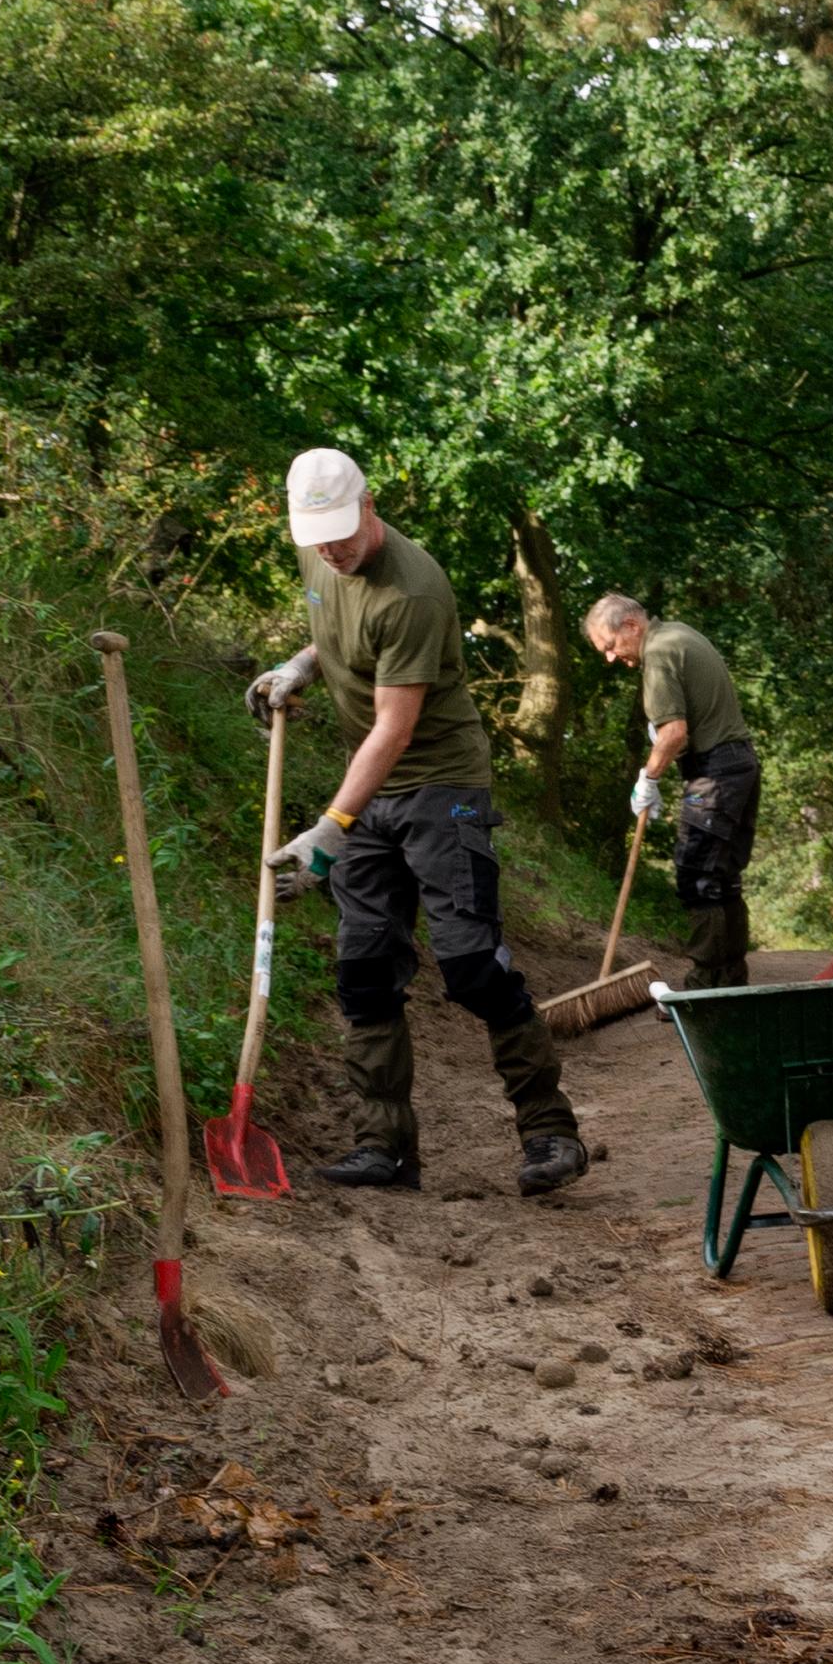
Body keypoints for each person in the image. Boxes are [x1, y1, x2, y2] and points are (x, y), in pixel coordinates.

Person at [249, 449, 591, 1198]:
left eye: (343, 533)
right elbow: (340, 632)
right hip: (368, 792)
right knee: (364, 971)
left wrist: (331, 827)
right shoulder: (318, 552)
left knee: (472, 966)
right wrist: (301, 665)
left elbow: (392, 730)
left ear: (370, 506)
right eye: (318, 538)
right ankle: (385, 1149)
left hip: (440, 785)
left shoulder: (415, 588)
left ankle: (550, 1134)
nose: (333, 551)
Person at [590, 594, 756, 990]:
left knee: (697, 875)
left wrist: (649, 778)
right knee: (722, 877)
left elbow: (674, 732)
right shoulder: (680, 635)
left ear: (631, 625)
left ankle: (704, 987)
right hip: (740, 765)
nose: (611, 658)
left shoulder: (658, 654)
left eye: (610, 647)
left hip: (715, 773)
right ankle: (729, 981)